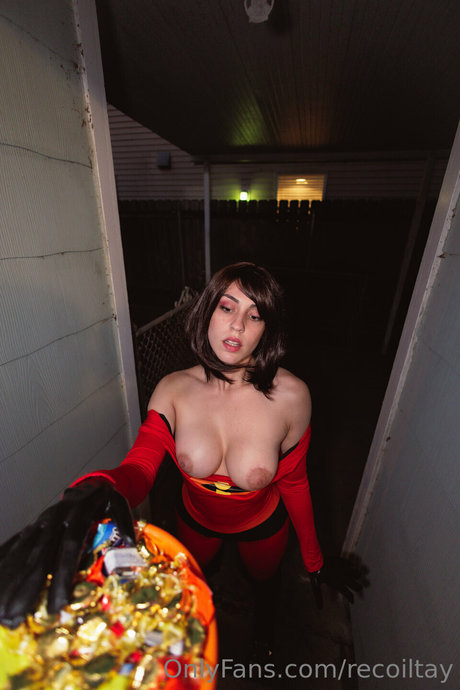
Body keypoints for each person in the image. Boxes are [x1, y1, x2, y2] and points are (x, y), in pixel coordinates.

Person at [0, 262, 361, 630]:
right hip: (195, 522)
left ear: (267, 329)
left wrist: (315, 560)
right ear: (207, 311)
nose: (238, 325)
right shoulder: (172, 390)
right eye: (227, 307)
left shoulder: (292, 396)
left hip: (262, 526)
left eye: (255, 316)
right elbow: (140, 469)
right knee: (191, 594)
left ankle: (264, 639)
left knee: (265, 592)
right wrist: (95, 489)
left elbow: (295, 482)